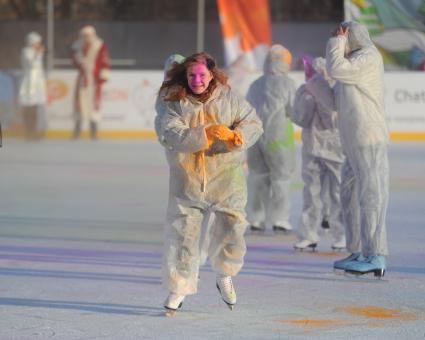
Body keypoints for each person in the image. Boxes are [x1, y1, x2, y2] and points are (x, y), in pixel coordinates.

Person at [157, 52, 262, 315]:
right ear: (185, 76)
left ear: (212, 74)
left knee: (233, 226)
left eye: (202, 74)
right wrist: (205, 133)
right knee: (183, 234)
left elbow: (253, 122)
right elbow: (170, 133)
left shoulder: (228, 98)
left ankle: (224, 274)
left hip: (227, 177)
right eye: (192, 75)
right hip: (188, 179)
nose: (197, 80)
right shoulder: (174, 101)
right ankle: (180, 286)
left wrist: (238, 136)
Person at [326, 21, 389, 277]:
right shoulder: (351, 64)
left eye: (342, 34)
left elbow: (337, 68)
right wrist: (314, 82)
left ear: (351, 36)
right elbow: (334, 101)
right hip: (352, 140)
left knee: (372, 194)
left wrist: (335, 45)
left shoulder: (368, 58)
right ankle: (357, 249)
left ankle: (376, 254)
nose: (338, 38)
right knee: (349, 193)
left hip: (368, 137)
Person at [292, 56, 346, 252]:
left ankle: (342, 235)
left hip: (335, 149)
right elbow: (300, 118)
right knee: (311, 193)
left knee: (338, 194)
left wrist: (318, 96)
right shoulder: (305, 91)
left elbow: (335, 120)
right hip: (312, 148)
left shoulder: (336, 91)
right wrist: (307, 99)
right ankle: (308, 234)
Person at [245, 44, 296, 233]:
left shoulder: (256, 84)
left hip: (255, 137)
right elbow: (293, 110)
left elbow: (246, 110)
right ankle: (280, 219)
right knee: (281, 178)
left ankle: (255, 219)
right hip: (279, 138)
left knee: (257, 177)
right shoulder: (288, 84)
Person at [71, 26, 110, 140]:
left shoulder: (100, 45)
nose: (86, 38)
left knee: (94, 105)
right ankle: (76, 131)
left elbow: (104, 60)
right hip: (83, 80)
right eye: (84, 36)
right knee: (79, 105)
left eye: (88, 36)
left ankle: (93, 132)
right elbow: (74, 62)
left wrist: (103, 75)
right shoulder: (77, 47)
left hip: (94, 80)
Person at [18, 32, 46, 140]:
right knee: (28, 108)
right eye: (37, 43)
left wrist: (39, 54)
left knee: (34, 109)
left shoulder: (35, 52)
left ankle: (33, 131)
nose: (39, 44)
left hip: (36, 84)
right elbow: (32, 65)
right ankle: (28, 132)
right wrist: (38, 54)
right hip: (28, 84)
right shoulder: (26, 51)